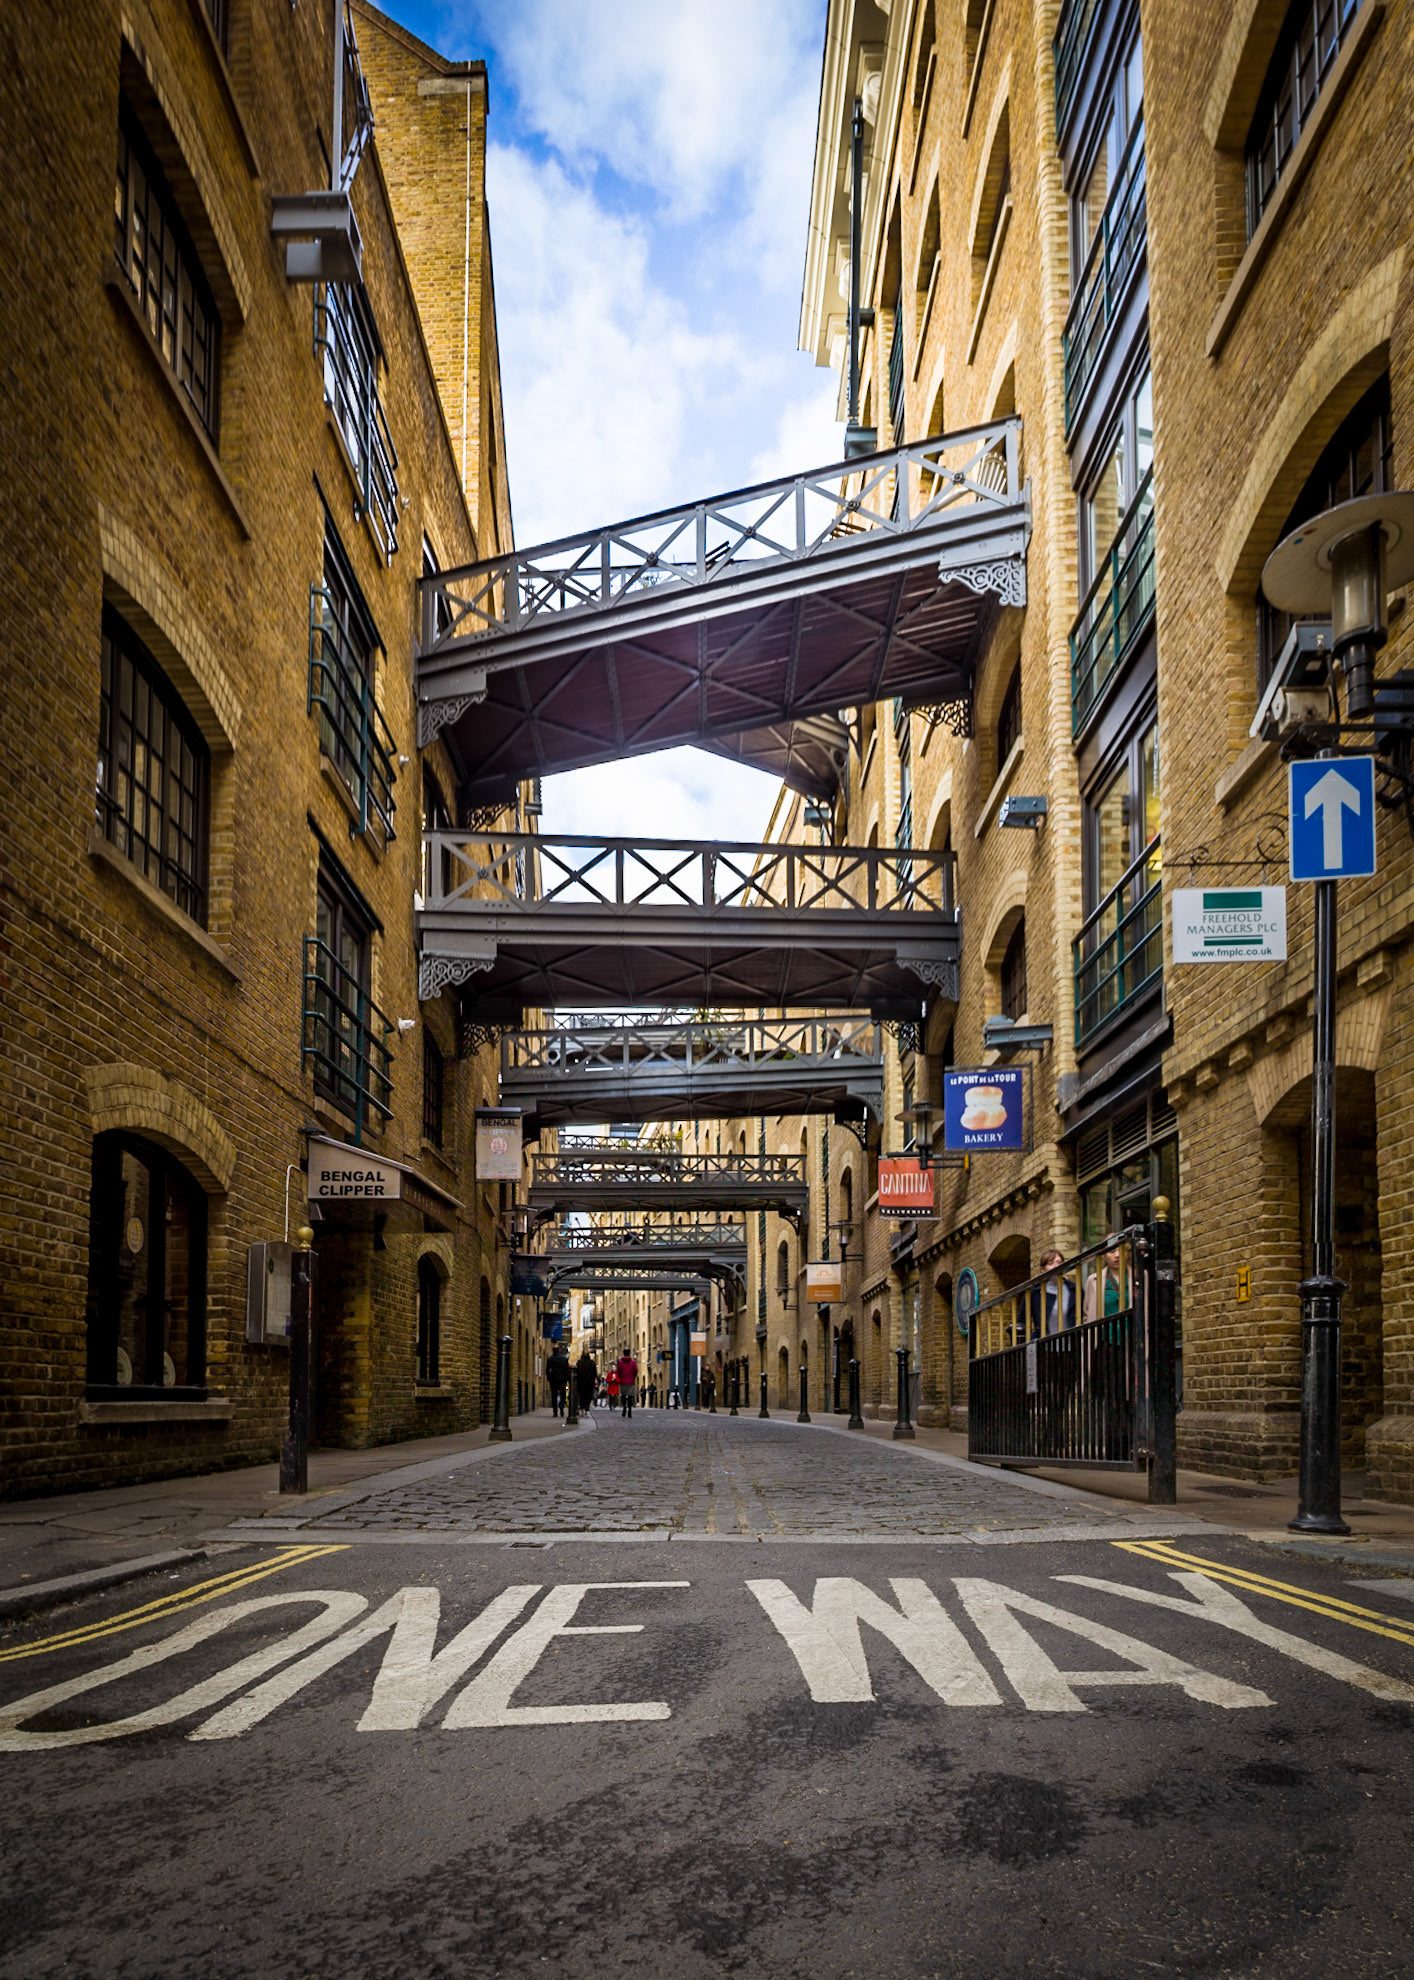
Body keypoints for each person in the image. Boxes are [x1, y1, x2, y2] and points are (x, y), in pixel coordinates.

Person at [1038, 1249, 1076, 1333]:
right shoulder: (1035, 1292)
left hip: (1071, 1342)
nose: (1056, 1266)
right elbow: (1022, 1320)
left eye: (1059, 1262)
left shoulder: (1074, 1289)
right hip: (1046, 1343)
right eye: (1050, 1263)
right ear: (1042, 1270)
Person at [546, 1344, 571, 1418]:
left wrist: (549, 1378)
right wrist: (567, 1379)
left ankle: (555, 1412)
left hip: (553, 1379)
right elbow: (567, 1370)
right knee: (563, 1395)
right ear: (559, 1350)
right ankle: (561, 1405)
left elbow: (547, 1370)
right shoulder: (564, 1359)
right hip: (562, 1380)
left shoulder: (550, 1359)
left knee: (554, 1395)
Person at [615, 1349, 638, 1417]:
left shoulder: (620, 1362)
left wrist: (621, 1377)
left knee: (623, 1396)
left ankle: (624, 1408)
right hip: (630, 1382)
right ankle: (630, 1411)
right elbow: (635, 1371)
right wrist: (632, 1377)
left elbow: (618, 1372)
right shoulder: (633, 1362)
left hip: (623, 1381)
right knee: (630, 1396)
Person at [574, 1350, 597, 1417]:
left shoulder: (579, 1362)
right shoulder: (592, 1363)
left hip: (581, 1383)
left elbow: (576, 1373)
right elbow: (594, 1374)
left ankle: (582, 1409)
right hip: (589, 1383)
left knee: (582, 1396)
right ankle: (586, 1410)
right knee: (588, 1396)